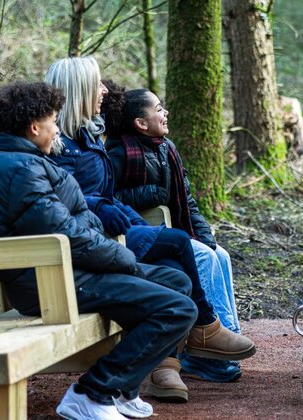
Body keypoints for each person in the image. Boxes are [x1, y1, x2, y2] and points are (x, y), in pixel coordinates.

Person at [0, 81, 196, 420]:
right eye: (52, 120)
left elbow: (72, 226)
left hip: (66, 269)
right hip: (46, 280)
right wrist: (124, 259)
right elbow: (66, 234)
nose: (57, 127)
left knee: (176, 283)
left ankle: (121, 388)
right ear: (34, 127)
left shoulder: (19, 159)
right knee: (176, 309)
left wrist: (118, 256)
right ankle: (93, 391)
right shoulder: (20, 169)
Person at [43, 57, 254, 403]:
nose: (105, 90)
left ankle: (169, 363)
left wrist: (122, 211)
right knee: (179, 245)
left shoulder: (88, 136)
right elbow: (72, 199)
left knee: (183, 269)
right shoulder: (66, 146)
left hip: (107, 232)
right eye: (97, 84)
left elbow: (106, 195)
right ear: (80, 90)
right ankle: (202, 334)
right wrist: (108, 207)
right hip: (91, 243)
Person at [102, 86, 243, 383]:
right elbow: (106, 197)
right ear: (141, 123)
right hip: (142, 232)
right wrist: (147, 193)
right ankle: (205, 356)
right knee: (202, 257)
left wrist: (204, 233)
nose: (165, 112)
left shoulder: (166, 148)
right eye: (158, 109)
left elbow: (187, 201)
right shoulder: (120, 150)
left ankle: (228, 337)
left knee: (219, 253)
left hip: (173, 228)